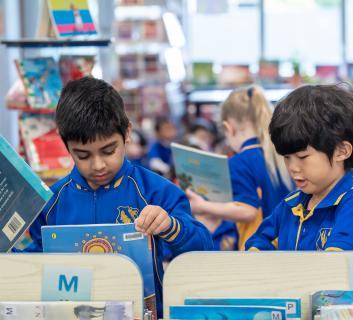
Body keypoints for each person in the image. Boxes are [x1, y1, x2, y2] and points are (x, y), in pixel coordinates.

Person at [22, 77, 212, 317]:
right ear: (66, 145)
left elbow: (203, 247)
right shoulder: (51, 201)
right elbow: (36, 260)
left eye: (108, 150)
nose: (98, 165)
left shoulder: (156, 191)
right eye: (83, 155)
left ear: (128, 133)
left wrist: (172, 227)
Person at [245, 84, 353, 251]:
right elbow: (260, 240)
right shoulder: (290, 205)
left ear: (341, 151)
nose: (292, 167)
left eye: (302, 157)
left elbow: (337, 263)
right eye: (286, 157)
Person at [186, 85, 293, 250]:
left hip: (258, 249)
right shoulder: (280, 156)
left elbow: (247, 210)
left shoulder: (239, 162)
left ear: (229, 128)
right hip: (291, 245)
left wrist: (202, 206)